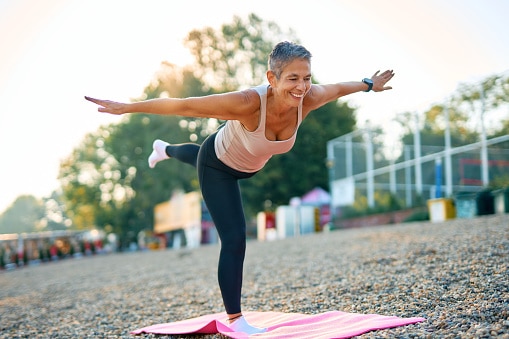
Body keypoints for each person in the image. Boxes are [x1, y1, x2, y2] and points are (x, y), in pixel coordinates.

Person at [85, 41, 394, 334]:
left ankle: (164, 149)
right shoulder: (247, 103)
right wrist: (129, 108)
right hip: (218, 168)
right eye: (292, 78)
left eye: (307, 78)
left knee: (193, 153)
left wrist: (369, 84)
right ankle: (235, 319)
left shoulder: (309, 98)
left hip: (245, 163)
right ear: (271, 78)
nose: (301, 86)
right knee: (234, 238)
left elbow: (340, 88)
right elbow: (186, 105)